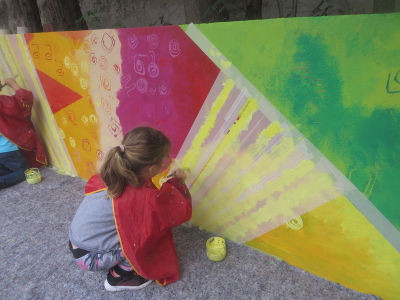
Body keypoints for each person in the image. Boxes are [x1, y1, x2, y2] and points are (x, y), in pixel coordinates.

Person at [68, 126, 192, 291]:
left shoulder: (113, 175)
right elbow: (169, 212)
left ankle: (113, 262)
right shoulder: (139, 196)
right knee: (142, 242)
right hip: (90, 256)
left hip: (76, 242)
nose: (166, 162)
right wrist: (177, 183)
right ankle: (118, 278)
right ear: (152, 169)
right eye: (164, 160)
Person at [0, 77, 47, 189]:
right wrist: (14, 84)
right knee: (25, 171)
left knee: (6, 171)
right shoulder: (3, 102)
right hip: (8, 151)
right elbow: (24, 99)